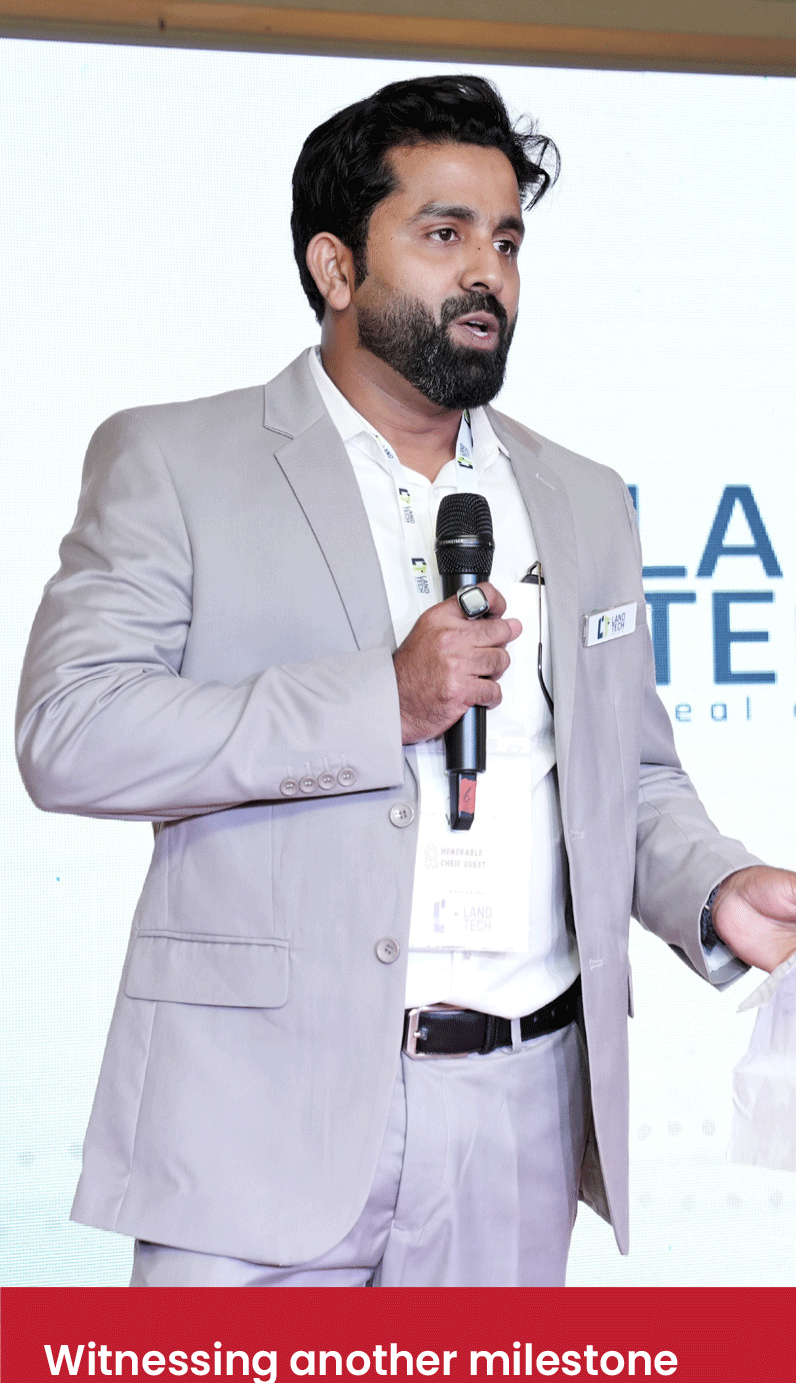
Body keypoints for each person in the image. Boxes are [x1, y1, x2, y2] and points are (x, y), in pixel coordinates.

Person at [15, 74, 796, 1288]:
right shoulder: (174, 459)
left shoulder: (583, 498)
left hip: (519, 1119)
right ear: (335, 266)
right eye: (444, 234)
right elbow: (73, 732)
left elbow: (629, 780)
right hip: (256, 1117)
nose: (486, 273)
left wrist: (716, 888)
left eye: (507, 242)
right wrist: (379, 704)